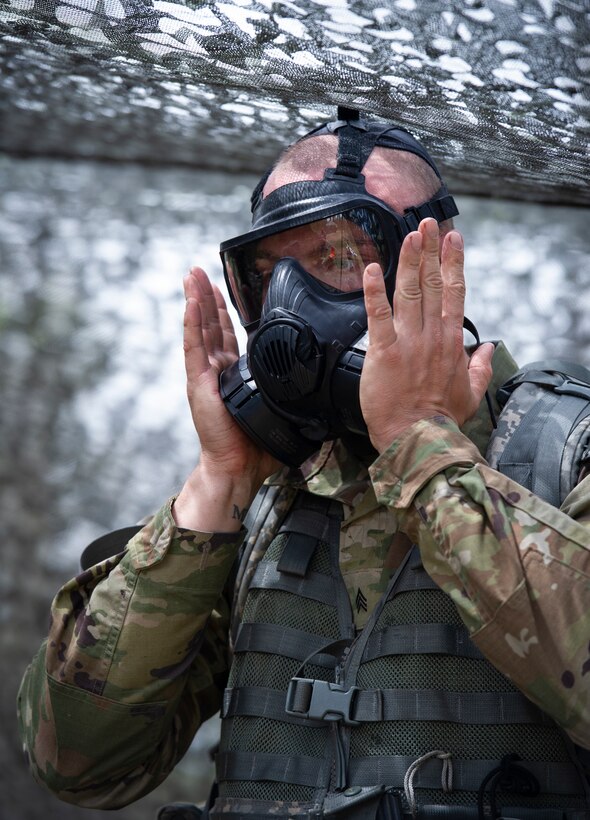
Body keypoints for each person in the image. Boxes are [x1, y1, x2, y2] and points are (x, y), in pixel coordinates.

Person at [17, 109, 590, 820]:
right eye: (268, 274)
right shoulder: (266, 496)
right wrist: (217, 485)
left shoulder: (566, 450)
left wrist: (420, 443)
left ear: (435, 267)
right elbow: (77, 760)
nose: (289, 307)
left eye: (338, 259)